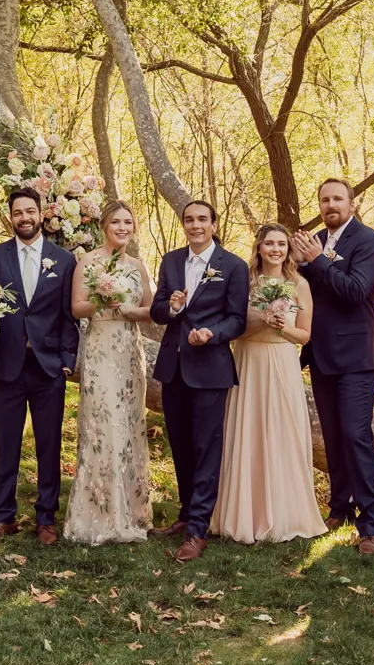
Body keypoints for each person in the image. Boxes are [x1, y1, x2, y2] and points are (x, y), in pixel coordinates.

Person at [0, 187, 80, 546]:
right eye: (17, 212)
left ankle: (46, 517)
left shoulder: (63, 260)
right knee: (6, 444)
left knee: (49, 446)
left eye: (30, 211)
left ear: (41, 214)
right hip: (6, 367)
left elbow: (68, 316)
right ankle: (4, 516)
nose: (24, 218)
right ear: (11, 217)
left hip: (49, 368)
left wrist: (67, 361)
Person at [149, 199, 250, 562]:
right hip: (174, 367)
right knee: (180, 444)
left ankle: (198, 529)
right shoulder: (171, 260)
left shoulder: (233, 266)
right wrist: (173, 307)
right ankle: (185, 512)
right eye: (189, 219)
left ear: (213, 223)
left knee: (207, 447)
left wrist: (211, 332)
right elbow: (157, 310)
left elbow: (237, 319)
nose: (195, 225)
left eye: (202, 220)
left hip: (210, 368)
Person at [211, 223, 326, 544]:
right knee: (246, 430)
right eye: (269, 244)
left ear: (289, 249)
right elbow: (233, 328)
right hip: (248, 360)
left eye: (281, 244)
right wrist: (260, 318)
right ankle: (242, 513)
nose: (275, 249)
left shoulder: (299, 284)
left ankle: (287, 513)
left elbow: (304, 335)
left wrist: (281, 327)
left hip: (283, 362)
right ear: (259, 247)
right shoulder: (244, 281)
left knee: (282, 430)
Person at [292, 178, 374, 555]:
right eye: (324, 199)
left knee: (355, 433)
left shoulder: (367, 241)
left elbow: (354, 290)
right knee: (332, 435)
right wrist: (297, 267)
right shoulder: (314, 239)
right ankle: (340, 508)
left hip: (358, 357)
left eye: (337, 198)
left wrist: (315, 262)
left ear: (351, 202)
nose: (331, 204)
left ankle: (371, 524)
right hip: (320, 353)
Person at [65, 200, 153, 545]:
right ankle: (98, 512)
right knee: (102, 425)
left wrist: (130, 309)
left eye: (127, 222)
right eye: (115, 221)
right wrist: (101, 301)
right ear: (104, 225)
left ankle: (130, 511)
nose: (122, 227)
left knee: (130, 428)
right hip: (101, 348)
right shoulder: (88, 261)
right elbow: (76, 307)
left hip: (130, 350)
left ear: (133, 227)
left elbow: (149, 310)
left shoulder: (138, 266)